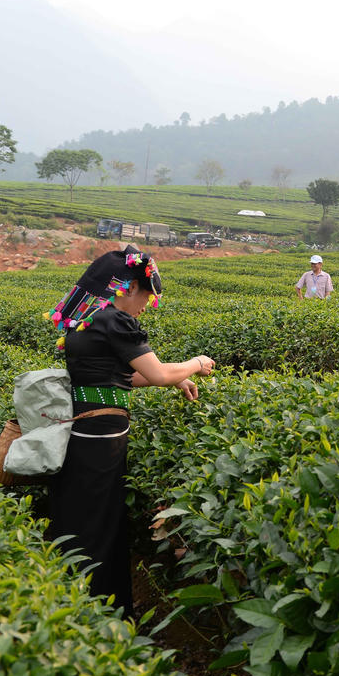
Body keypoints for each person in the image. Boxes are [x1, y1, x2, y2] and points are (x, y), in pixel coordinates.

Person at [47, 246, 216, 616]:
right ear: (129, 288)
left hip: (82, 427)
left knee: (81, 514)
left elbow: (123, 377)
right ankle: (103, 608)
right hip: (103, 436)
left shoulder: (89, 319)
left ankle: (68, 595)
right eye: (147, 295)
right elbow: (156, 372)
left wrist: (174, 380)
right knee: (102, 522)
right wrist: (196, 364)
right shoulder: (115, 320)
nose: (146, 305)